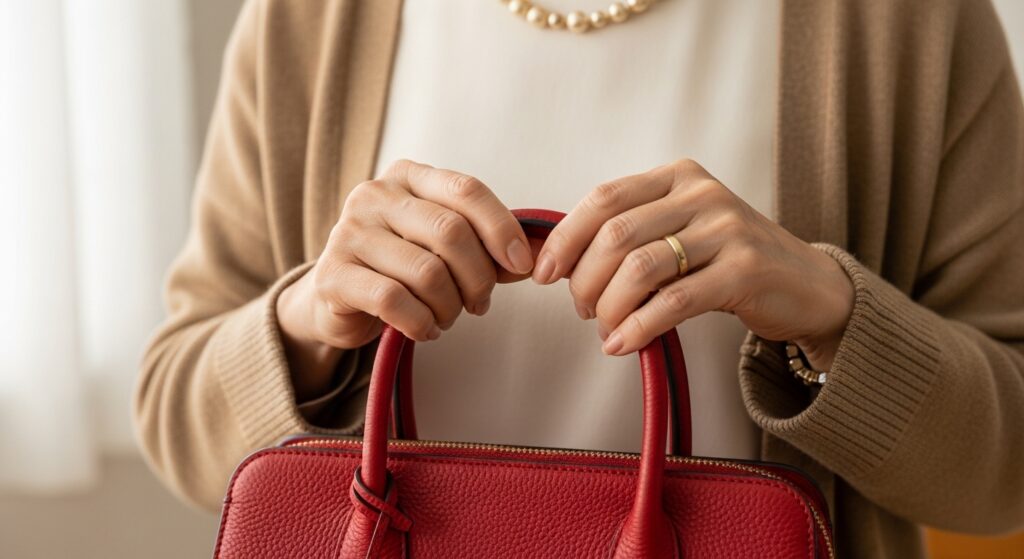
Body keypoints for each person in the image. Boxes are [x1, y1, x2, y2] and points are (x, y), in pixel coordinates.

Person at [133, 1, 1024, 557]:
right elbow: (176, 414)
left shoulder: (909, 19)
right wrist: (312, 318)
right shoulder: (313, 19)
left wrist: (833, 315)